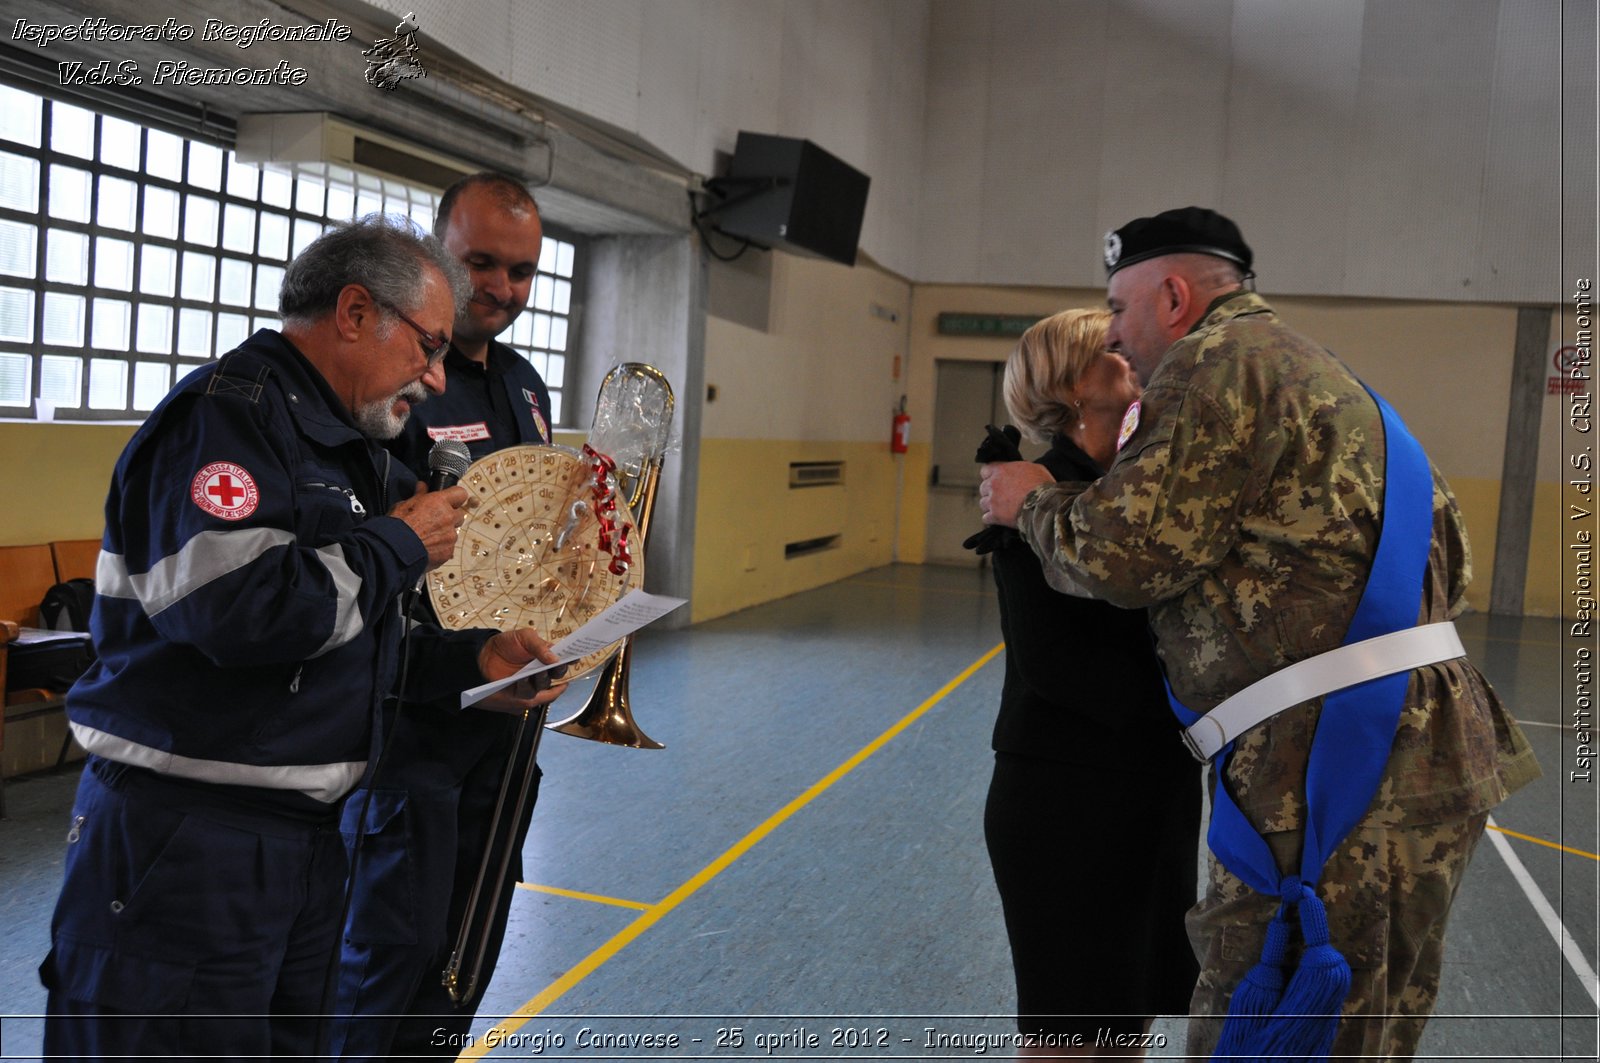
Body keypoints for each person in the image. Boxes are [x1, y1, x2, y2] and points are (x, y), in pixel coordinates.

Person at [979, 207, 1539, 1060]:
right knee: (1363, 1021)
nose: (1123, 342)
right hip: (1419, 741)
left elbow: (1128, 555)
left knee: (1274, 1022)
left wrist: (1032, 506)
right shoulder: (1319, 375)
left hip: (1329, 763)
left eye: (1120, 312)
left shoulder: (1208, 369)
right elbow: (1449, 556)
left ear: (1172, 296)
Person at [36, 214, 568, 1062]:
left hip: (309, 840)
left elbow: (357, 631)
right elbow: (234, 610)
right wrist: (398, 543)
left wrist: (474, 664)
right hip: (187, 840)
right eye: (426, 347)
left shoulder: (357, 446)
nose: (435, 378)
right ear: (356, 313)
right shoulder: (225, 420)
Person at [331, 172, 557, 1059]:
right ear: (436, 252)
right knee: (390, 964)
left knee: (467, 958)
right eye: (482, 264)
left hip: (503, 731)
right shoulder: (387, 387)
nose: (502, 288)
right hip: (413, 727)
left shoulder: (527, 384)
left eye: (523, 271)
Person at [967, 308, 1200, 1058]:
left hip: (1150, 790)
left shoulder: (1134, 488)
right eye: (1111, 346)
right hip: (1065, 800)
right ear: (1070, 385)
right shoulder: (1029, 496)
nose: (1129, 350)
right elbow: (1058, 667)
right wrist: (1197, 698)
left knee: (1127, 1017)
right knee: (1066, 1030)